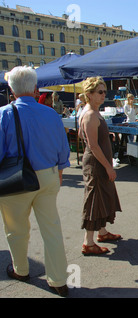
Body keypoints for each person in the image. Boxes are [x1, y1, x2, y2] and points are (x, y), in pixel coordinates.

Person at [0, 66, 71, 297]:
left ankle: (21, 269)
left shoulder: (4, 114)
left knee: (16, 229)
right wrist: (59, 172)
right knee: (52, 229)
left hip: (15, 179)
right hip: (48, 175)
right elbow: (63, 148)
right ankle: (59, 280)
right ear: (35, 88)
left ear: (11, 89)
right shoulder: (50, 113)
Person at [78, 77, 122, 256]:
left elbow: (86, 137)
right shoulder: (89, 115)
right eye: (100, 92)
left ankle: (102, 233)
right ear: (89, 95)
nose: (104, 95)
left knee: (103, 198)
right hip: (96, 165)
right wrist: (108, 167)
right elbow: (93, 145)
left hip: (100, 163)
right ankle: (88, 242)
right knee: (94, 201)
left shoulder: (94, 112)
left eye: (105, 91)